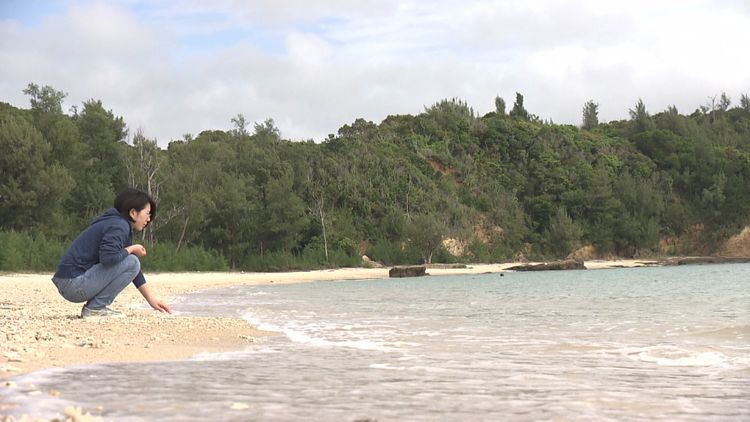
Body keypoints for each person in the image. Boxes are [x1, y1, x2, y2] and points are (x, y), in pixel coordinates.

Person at [52, 188, 172, 318]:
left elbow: (131, 269)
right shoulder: (119, 226)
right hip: (73, 284)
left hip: (69, 283)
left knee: (132, 261)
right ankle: (95, 308)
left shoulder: (115, 222)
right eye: (147, 213)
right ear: (133, 213)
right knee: (132, 261)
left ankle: (95, 308)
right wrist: (132, 249)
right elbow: (109, 258)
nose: (148, 219)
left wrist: (151, 299)